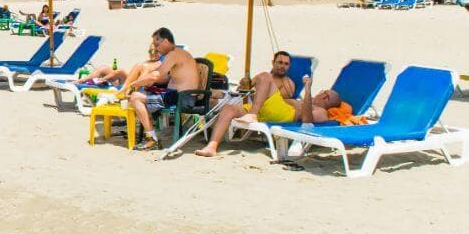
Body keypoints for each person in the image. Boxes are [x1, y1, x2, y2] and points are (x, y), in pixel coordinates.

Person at [195, 53, 342, 157]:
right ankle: (212, 146)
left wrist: (308, 90)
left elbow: (306, 121)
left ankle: (252, 114)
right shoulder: (300, 100)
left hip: (282, 114)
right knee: (229, 109)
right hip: (264, 110)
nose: (321, 92)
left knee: (265, 76)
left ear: (326, 97)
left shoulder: (321, 111)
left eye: (324, 91)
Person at [119, 27, 200, 150]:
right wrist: (146, 82)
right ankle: (150, 133)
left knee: (135, 97)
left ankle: (152, 140)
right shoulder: (177, 53)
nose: (156, 49)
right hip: (180, 95)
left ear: (166, 41)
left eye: (157, 45)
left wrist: (132, 84)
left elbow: (156, 75)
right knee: (142, 93)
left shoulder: (174, 54)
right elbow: (165, 77)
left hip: (183, 98)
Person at [80, 42, 161, 87]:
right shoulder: (146, 62)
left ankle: (99, 81)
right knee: (104, 68)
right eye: (150, 51)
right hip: (128, 83)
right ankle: (81, 81)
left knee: (120, 71)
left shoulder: (158, 64)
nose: (153, 54)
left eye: (156, 51)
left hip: (134, 88)